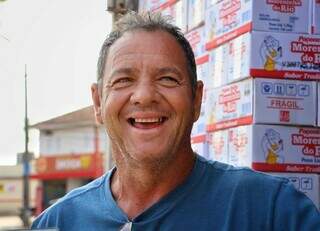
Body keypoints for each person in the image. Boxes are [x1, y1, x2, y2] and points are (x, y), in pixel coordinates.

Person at [32, 11, 320, 230]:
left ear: (196, 100)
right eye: (123, 80)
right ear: (98, 102)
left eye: (168, 78)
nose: (144, 96)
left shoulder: (272, 212)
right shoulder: (59, 222)